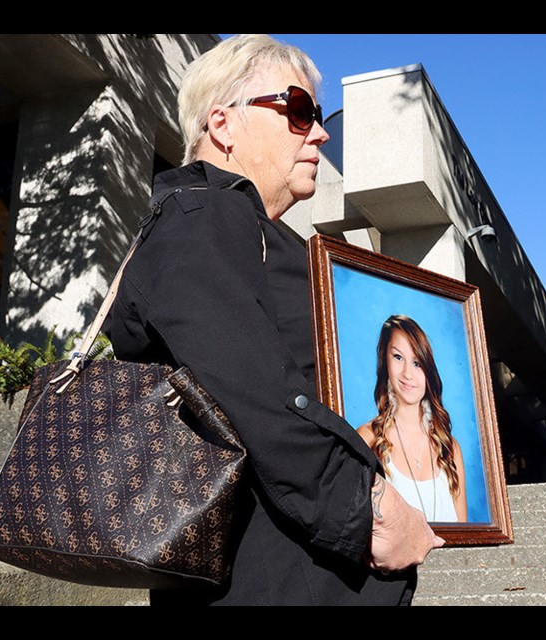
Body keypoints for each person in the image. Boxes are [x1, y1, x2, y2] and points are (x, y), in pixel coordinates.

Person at [106, 34, 441, 605]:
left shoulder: (248, 230)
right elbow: (252, 390)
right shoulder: (203, 216)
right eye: (299, 110)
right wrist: (368, 513)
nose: (320, 131)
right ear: (223, 124)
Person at [358, 316, 468, 523]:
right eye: (398, 357)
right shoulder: (367, 439)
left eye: (417, 363)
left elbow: (464, 536)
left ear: (428, 371)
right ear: (385, 361)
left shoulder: (450, 449)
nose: (408, 373)